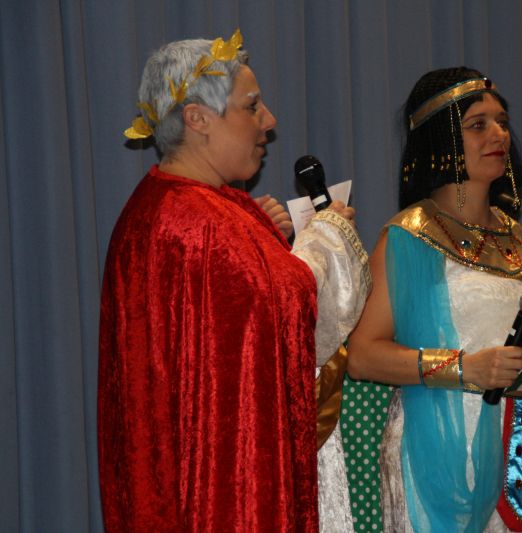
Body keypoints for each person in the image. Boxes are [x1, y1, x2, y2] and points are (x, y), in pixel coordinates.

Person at [98, 29, 369, 532]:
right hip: (225, 499)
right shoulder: (192, 222)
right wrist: (329, 236)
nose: (269, 121)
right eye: (252, 106)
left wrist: (265, 235)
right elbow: (288, 308)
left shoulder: (181, 208)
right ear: (198, 119)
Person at [347, 67, 522, 533]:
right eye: (478, 124)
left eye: (502, 122)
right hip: (442, 452)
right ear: (440, 140)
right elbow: (361, 356)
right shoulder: (410, 235)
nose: (499, 134)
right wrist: (465, 368)